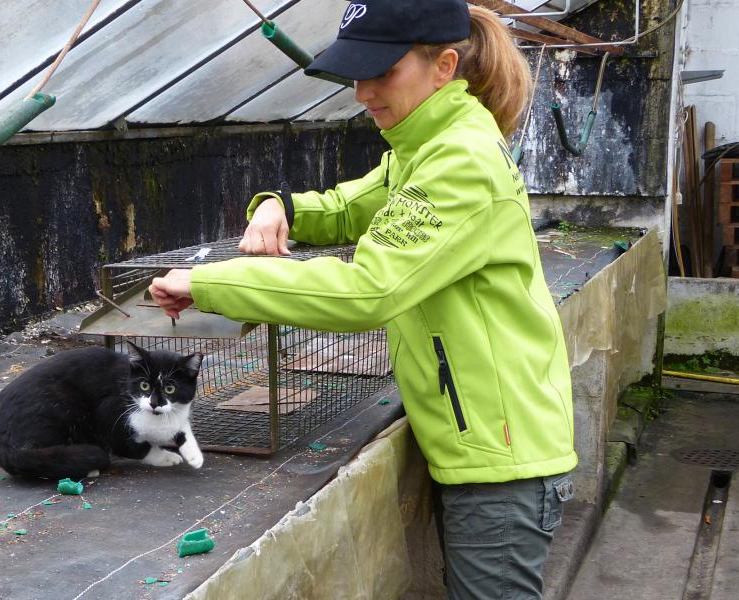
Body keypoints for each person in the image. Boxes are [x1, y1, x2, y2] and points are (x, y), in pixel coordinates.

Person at [150, 0, 576, 597]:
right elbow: (352, 205)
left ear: (444, 65)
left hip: (501, 459)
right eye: (356, 74)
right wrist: (283, 206)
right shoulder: (422, 146)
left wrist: (209, 284)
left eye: (381, 74)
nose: (362, 93)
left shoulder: (460, 161)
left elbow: (367, 290)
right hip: (480, 439)